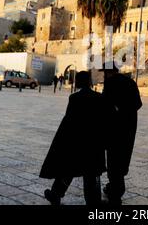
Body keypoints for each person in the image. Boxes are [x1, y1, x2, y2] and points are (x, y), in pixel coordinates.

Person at [40, 71, 109, 206]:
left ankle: (55, 194)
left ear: (78, 82)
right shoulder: (98, 97)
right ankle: (93, 200)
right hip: (93, 142)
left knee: (68, 168)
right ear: (89, 81)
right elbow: (103, 121)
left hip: (76, 141)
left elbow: (69, 121)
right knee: (92, 172)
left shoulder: (74, 98)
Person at [101, 62, 143, 206]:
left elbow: (105, 105)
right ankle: (114, 187)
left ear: (109, 72)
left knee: (113, 160)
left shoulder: (110, 83)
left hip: (114, 128)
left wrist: (117, 112)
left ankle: (116, 194)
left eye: (105, 72)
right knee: (123, 157)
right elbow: (138, 104)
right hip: (129, 127)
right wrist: (126, 112)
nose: (104, 75)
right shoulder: (130, 82)